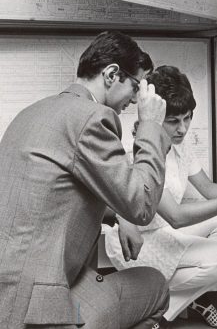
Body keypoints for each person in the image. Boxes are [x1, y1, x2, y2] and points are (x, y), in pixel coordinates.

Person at [0, 31, 172, 329]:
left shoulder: (32, 112)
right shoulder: (94, 118)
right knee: (155, 284)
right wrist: (150, 126)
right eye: (135, 86)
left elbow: (58, 197)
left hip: (10, 289)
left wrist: (119, 217)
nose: (135, 99)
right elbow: (142, 205)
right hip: (31, 309)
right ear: (111, 74)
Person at [105, 66, 217, 329]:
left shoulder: (180, 144)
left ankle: (183, 303)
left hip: (166, 233)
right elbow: (176, 218)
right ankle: (161, 310)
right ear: (155, 117)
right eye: (174, 121)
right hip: (140, 243)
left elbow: (208, 188)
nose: (183, 128)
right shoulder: (137, 151)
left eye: (187, 118)